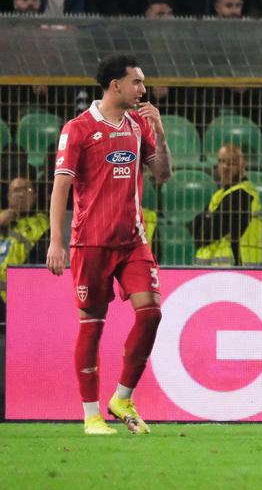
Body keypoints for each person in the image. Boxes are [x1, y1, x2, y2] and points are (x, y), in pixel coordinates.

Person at [46, 55, 173, 435]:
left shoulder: (138, 125)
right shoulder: (79, 128)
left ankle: (122, 397)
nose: (143, 89)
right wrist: (56, 241)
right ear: (115, 85)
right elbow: (61, 186)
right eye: (136, 82)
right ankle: (91, 416)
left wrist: (161, 134)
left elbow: (162, 174)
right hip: (91, 243)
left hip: (133, 240)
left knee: (151, 314)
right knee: (92, 326)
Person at [192, 144, 262, 266]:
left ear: (241, 166)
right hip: (220, 269)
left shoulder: (241, 194)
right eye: (221, 161)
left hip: (237, 268)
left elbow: (208, 233)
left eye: (230, 163)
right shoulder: (221, 194)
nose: (224, 167)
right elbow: (198, 229)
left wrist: (206, 219)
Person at [0, 165, 49, 309]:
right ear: (8, 196)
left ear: (34, 195)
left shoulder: (43, 222)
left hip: (24, 290)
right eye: (16, 190)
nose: (21, 194)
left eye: (27, 190)